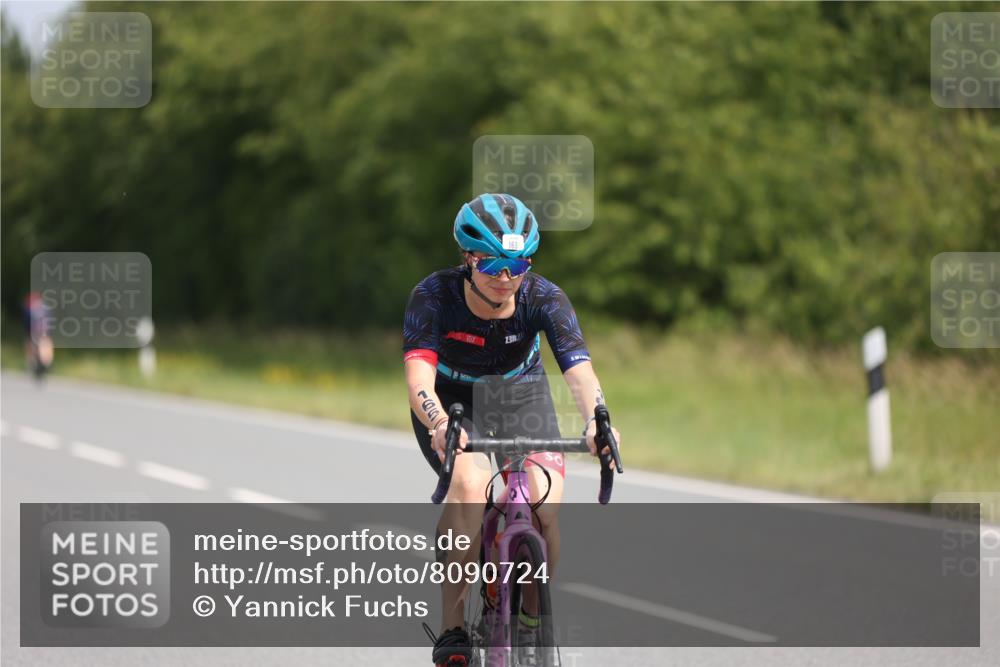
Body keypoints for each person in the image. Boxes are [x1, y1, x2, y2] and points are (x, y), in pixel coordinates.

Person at [403, 193, 621, 666]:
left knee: (545, 502)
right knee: (470, 485)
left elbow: (579, 372)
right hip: (453, 403)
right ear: (468, 258)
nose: (505, 279)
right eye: (493, 265)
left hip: (520, 395)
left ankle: (531, 618)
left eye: (517, 266)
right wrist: (438, 422)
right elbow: (419, 379)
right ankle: (453, 629)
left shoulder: (544, 297)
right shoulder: (433, 296)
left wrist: (597, 420)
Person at [23, 291, 54, 379]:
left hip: (36, 332)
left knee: (32, 347)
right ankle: (43, 365)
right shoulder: (46, 308)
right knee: (44, 348)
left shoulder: (30, 309)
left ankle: (35, 364)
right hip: (43, 333)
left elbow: (27, 323)